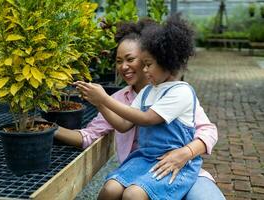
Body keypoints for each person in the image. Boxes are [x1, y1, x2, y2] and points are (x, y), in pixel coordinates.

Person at [55, 18, 225, 200]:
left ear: (161, 59)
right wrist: (98, 103)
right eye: (119, 61)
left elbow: (207, 130)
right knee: (112, 189)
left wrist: (186, 153)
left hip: (177, 166)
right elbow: (114, 127)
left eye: (132, 59)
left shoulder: (180, 92)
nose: (124, 67)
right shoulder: (135, 95)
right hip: (141, 163)